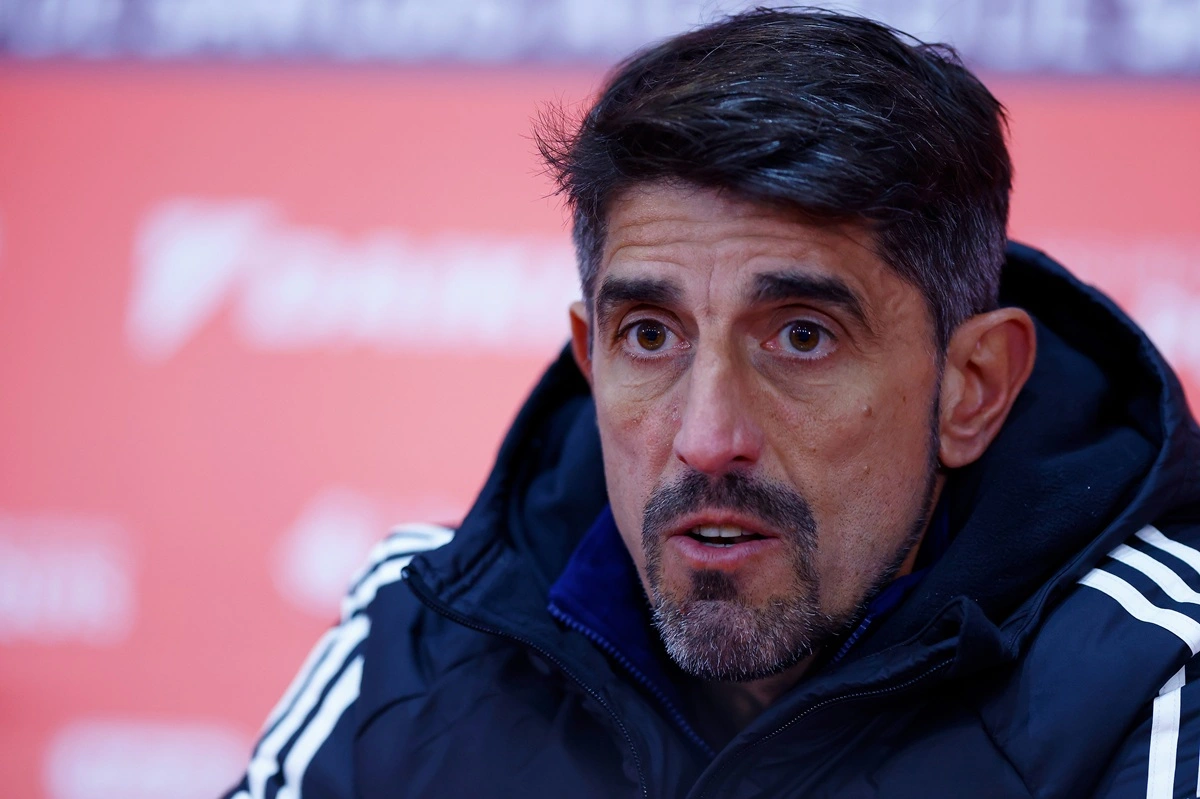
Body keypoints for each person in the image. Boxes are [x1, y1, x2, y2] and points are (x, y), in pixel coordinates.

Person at [224, 9, 1200, 798]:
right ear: (590, 358)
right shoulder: (421, 630)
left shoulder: (1155, 674)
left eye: (802, 336)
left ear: (970, 388)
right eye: (651, 335)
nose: (706, 438)